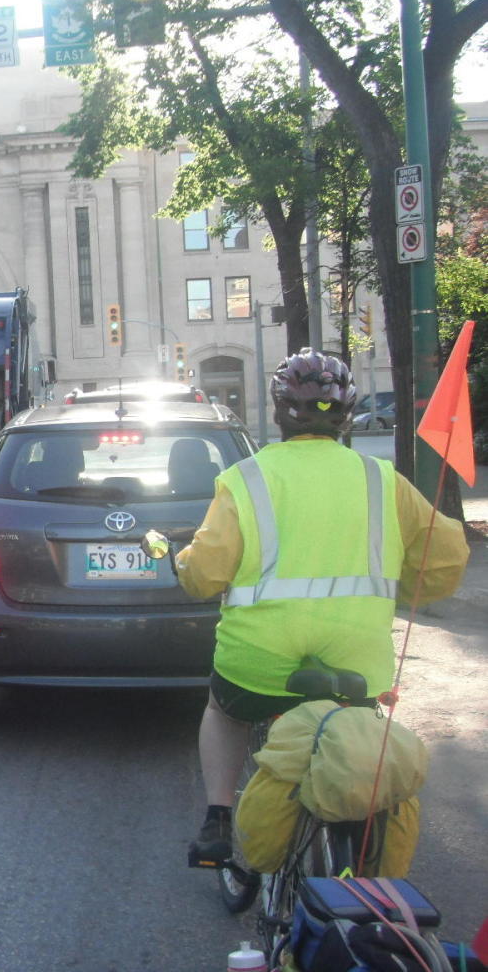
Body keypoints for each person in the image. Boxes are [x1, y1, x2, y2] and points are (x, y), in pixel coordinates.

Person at [176, 349, 470, 864]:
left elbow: (206, 576)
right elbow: (444, 559)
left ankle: (218, 817)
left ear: (280, 411)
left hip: (260, 661)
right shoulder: (382, 479)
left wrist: (184, 564)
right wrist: (401, 591)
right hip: (359, 663)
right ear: (347, 414)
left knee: (223, 712)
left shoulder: (247, 479)